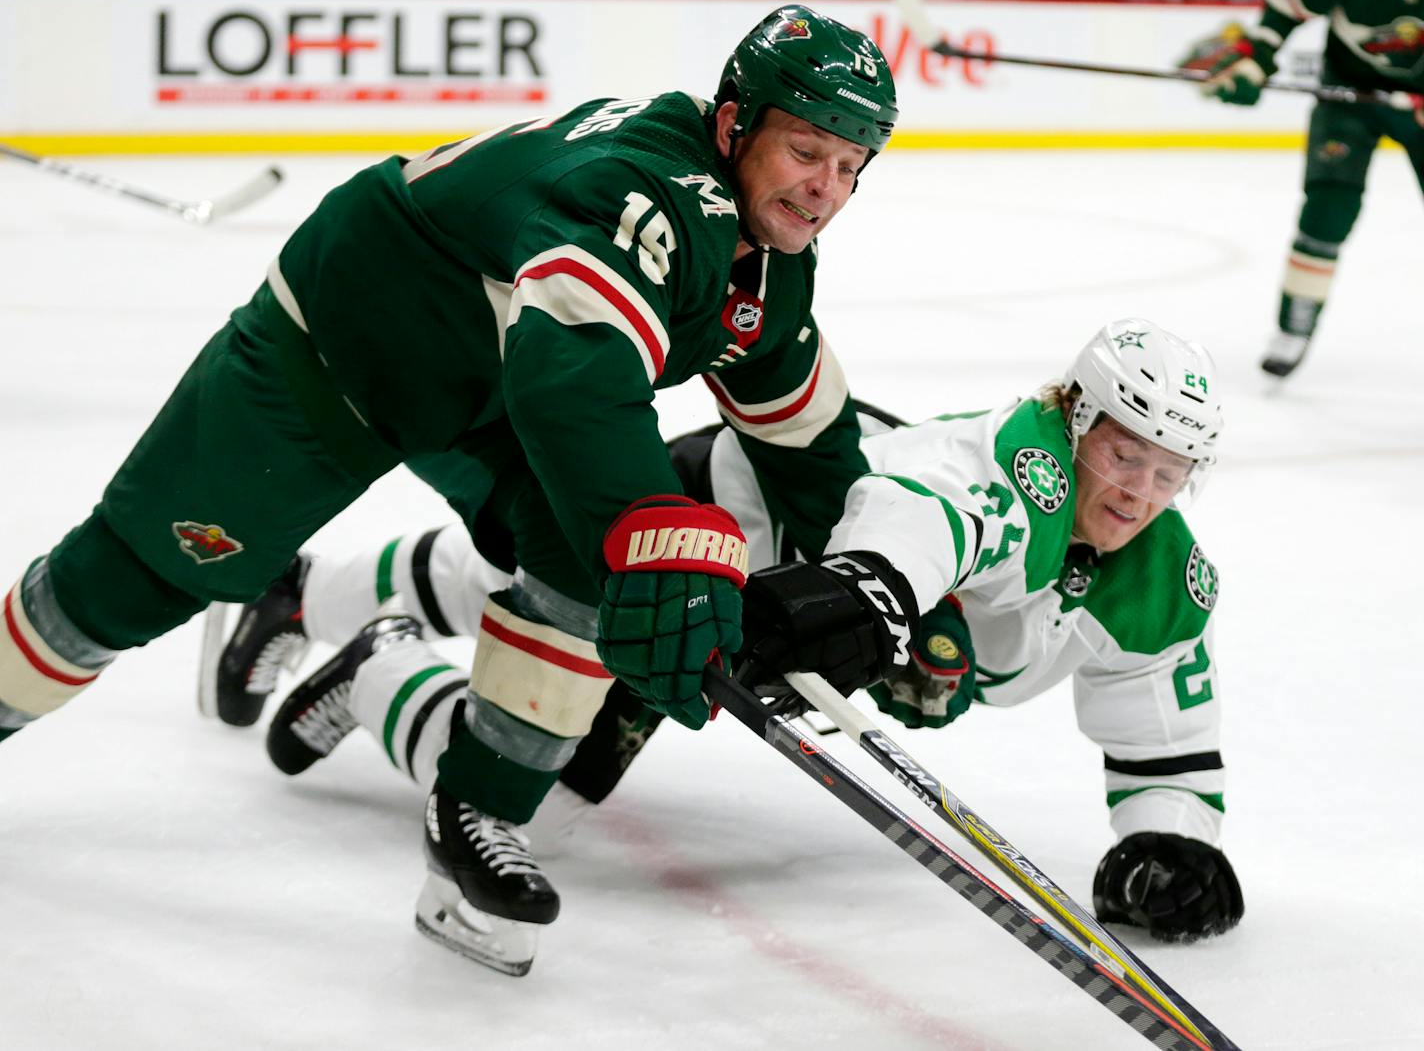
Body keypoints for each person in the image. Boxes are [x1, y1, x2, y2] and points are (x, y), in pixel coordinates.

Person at [0, 4, 918, 974]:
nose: (824, 189)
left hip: (492, 385)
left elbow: (808, 442)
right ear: (734, 125)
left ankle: (474, 818)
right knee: (135, 578)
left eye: (849, 165)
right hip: (343, 346)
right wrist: (661, 534)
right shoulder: (642, 192)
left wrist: (876, 585)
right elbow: (574, 377)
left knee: (586, 564)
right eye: (805, 150)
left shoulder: (770, 268)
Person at [235, 318, 1243, 947]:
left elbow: (1157, 731)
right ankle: (320, 603)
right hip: (718, 518)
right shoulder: (1003, 462)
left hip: (755, 617)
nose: (1136, 492)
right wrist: (872, 592)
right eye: (1121, 454)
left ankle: (375, 660)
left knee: (532, 804)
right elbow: (924, 514)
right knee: (517, 573)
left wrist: (1172, 840)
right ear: (1074, 420)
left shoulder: (1158, 579)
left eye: (1166, 472)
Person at [1186, 0, 1424, 377]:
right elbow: (1284, 2)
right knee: (1328, 209)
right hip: (1351, 95)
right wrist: (1256, 57)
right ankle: (1293, 327)